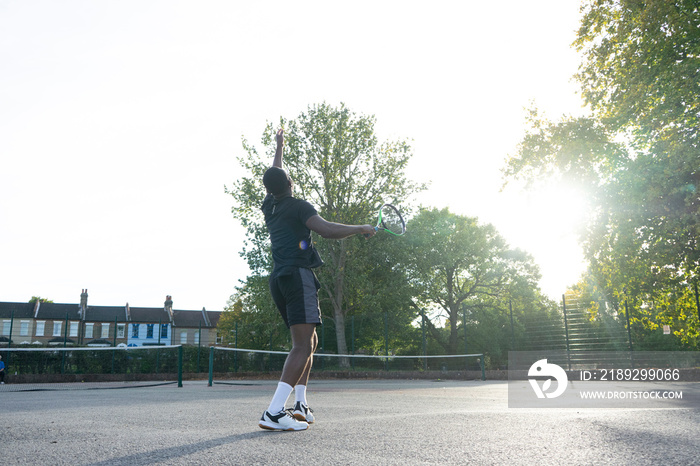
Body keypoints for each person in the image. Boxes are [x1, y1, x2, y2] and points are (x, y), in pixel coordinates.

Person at [258, 128, 376, 431]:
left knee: (310, 341)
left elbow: (275, 177)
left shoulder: (270, 206)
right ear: (288, 182)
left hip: (280, 279)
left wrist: (279, 146)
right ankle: (273, 412)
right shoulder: (298, 206)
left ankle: (300, 403)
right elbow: (326, 229)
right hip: (298, 276)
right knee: (301, 345)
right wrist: (360, 227)